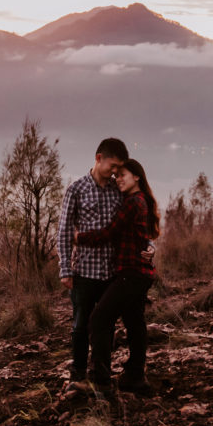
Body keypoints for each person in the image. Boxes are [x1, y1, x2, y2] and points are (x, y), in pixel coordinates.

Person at [76, 158, 160, 393]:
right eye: (117, 176)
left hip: (131, 274)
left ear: (137, 177)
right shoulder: (139, 200)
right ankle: (135, 376)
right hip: (139, 274)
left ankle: (100, 380)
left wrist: (78, 238)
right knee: (134, 322)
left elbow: (109, 233)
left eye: (123, 175)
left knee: (99, 319)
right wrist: (151, 247)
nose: (119, 179)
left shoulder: (134, 202)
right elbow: (144, 236)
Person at [57, 137, 129, 385]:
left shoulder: (117, 191)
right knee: (80, 326)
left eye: (119, 169)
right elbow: (65, 231)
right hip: (83, 272)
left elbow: (130, 224)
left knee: (105, 327)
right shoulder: (76, 189)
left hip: (111, 273)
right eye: (113, 167)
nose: (115, 173)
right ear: (99, 159)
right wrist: (65, 269)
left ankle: (101, 377)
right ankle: (77, 376)